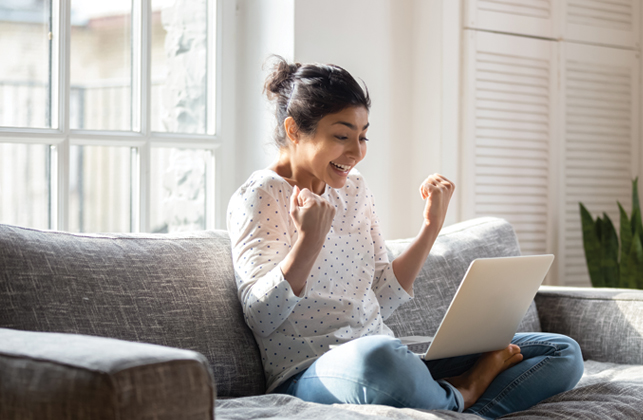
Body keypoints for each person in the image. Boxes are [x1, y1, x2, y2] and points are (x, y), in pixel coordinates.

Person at [227, 56, 584, 419]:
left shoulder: (353, 189)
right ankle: (463, 394)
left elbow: (381, 295)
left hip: (389, 357)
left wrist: (431, 227)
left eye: (363, 136)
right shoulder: (261, 195)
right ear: (294, 130)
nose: (356, 153)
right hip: (312, 371)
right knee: (378, 359)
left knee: (562, 352)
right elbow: (261, 316)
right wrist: (308, 241)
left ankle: (450, 408)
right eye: (341, 135)